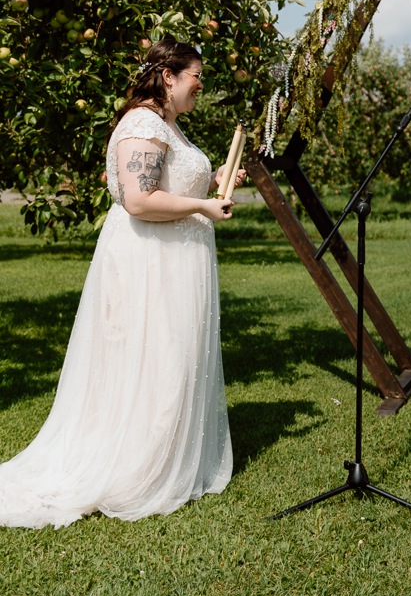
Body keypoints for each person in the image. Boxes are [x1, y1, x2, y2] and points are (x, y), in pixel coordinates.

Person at [0, 38, 243, 528]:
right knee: (152, 358)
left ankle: (161, 458)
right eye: (197, 74)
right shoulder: (142, 125)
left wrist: (213, 181)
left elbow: (172, 183)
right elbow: (139, 200)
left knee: (171, 360)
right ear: (169, 75)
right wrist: (201, 207)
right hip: (151, 263)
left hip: (175, 261)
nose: (202, 84)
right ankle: (134, 468)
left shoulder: (169, 125)